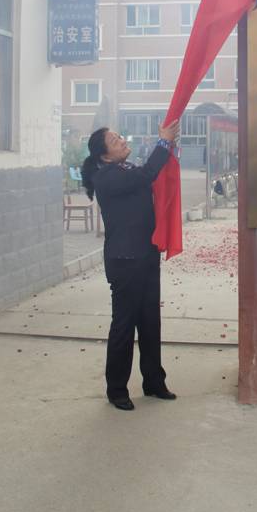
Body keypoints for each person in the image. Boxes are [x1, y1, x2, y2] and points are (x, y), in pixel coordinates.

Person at [81, 120, 180, 411]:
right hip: (125, 261)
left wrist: (168, 146)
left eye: (120, 137)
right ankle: (116, 390)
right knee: (124, 326)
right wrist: (163, 142)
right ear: (104, 155)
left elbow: (150, 174)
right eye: (115, 141)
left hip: (146, 255)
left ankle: (154, 382)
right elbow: (148, 173)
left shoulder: (125, 169)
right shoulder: (106, 177)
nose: (123, 141)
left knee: (150, 322)